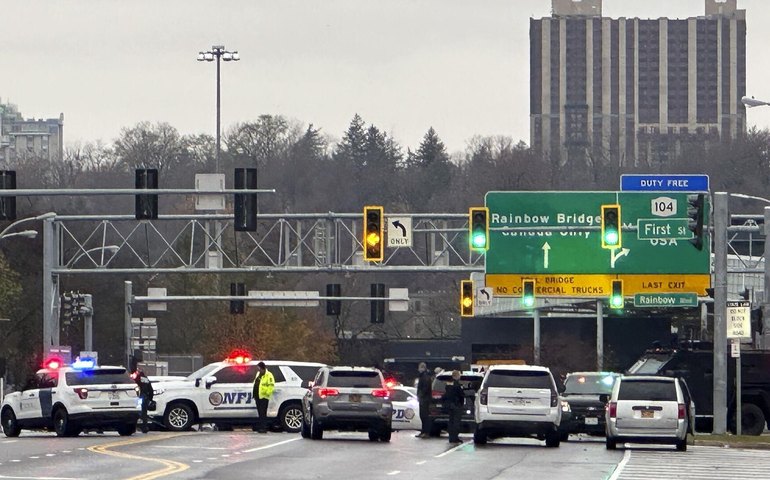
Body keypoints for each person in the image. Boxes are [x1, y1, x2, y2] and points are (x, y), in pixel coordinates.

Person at [441, 370, 464, 444]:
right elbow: (461, 395)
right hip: (456, 405)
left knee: (451, 421)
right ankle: (455, 438)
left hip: (450, 405)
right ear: (457, 376)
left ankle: (451, 437)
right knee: (456, 422)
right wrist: (461, 404)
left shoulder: (448, 384)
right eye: (459, 375)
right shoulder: (457, 385)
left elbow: (446, 395)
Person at [252, 361, 275, 433]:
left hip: (264, 397)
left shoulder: (269, 375)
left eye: (259, 368)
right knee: (260, 413)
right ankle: (261, 427)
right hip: (258, 396)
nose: (258, 369)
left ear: (263, 368)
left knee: (263, 413)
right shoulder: (258, 374)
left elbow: (271, 385)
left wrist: (267, 394)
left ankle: (264, 428)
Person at [415, 362, 433, 438]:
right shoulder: (423, 376)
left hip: (425, 399)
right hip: (424, 399)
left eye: (419, 368)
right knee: (422, 416)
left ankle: (426, 432)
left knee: (424, 416)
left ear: (423, 368)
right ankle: (423, 431)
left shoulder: (425, 376)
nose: (418, 369)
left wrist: (420, 396)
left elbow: (425, 388)